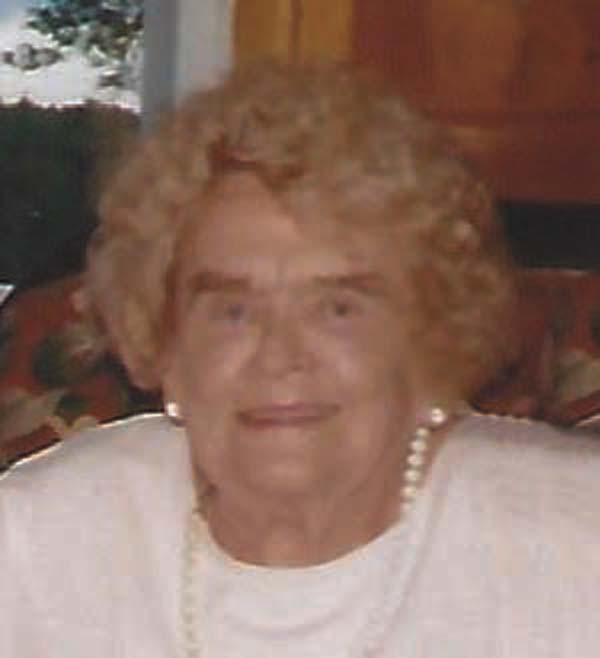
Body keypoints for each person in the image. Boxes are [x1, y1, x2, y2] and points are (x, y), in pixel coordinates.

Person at [2, 62, 599, 658]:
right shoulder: (38, 542)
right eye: (233, 311)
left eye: (337, 309)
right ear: (167, 348)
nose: (279, 357)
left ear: (430, 342)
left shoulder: (569, 542)